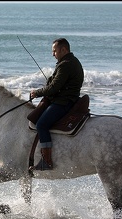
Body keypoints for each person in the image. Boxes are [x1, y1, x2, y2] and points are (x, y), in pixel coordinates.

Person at [29, 38, 84, 171]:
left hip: (63, 102)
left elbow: (54, 88)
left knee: (41, 124)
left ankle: (47, 161)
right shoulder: (72, 61)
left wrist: (37, 92)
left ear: (63, 50)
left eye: (54, 51)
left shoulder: (65, 64)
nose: (53, 54)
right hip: (69, 99)